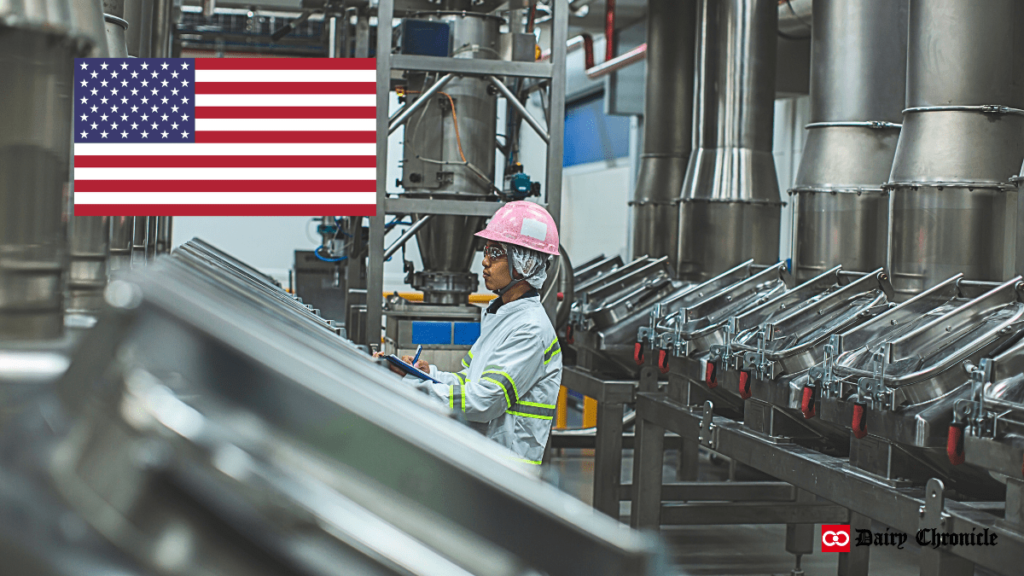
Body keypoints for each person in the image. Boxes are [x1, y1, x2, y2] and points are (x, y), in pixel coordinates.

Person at [377, 201, 563, 467]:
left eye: (496, 253)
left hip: (507, 467)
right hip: (485, 456)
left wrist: (416, 388)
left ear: (525, 263)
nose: (485, 261)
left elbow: (486, 400)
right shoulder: (503, 315)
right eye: (486, 251)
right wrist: (426, 374)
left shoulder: (530, 329)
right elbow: (469, 381)